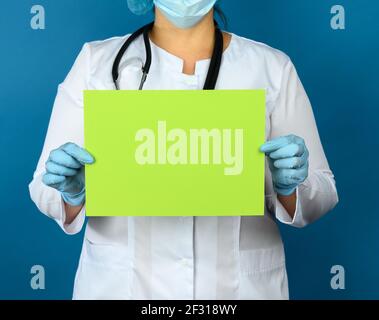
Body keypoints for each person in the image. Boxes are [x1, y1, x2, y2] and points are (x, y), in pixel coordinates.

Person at [29, 0, 338, 300]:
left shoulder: (271, 68)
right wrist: (72, 193)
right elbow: (44, 187)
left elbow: (322, 192)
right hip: (121, 287)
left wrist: (289, 187)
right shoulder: (96, 63)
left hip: (239, 290)